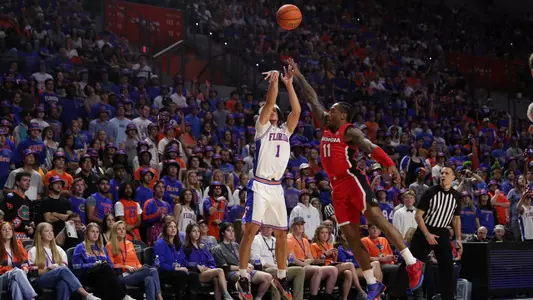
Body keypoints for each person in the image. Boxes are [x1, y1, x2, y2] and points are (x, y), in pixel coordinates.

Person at [289, 58, 423, 299]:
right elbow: (312, 98)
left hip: (352, 180)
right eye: (329, 111)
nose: (328, 112)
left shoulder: (350, 131)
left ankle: (412, 262)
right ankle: (372, 282)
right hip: (336, 187)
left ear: (344, 116)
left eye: (334, 111)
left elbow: (369, 146)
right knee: (350, 236)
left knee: (377, 219)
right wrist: (298, 75)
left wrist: (389, 163)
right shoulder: (325, 124)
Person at [239, 67, 301, 300]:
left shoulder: (286, 131)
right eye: (271, 110)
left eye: (276, 111)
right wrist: (274, 82)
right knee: (252, 229)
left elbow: (297, 110)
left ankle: (282, 275)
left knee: (282, 234)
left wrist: (289, 84)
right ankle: (243, 276)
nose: (273, 111)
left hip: (277, 187)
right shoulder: (262, 128)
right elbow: (270, 101)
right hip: (260, 184)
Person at [409, 166, 462, 300]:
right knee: (411, 265)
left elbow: (456, 219)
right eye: (442, 173)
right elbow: (418, 215)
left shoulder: (456, 196)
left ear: (453, 178)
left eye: (447, 173)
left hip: (443, 232)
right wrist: (427, 234)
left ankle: (448, 297)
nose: (443, 175)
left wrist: (459, 239)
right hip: (424, 231)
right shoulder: (431, 191)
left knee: (447, 269)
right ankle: (397, 295)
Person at [28, 222, 100, 300]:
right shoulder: (33, 250)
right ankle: (85, 294)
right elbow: (33, 273)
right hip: (39, 280)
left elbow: (65, 269)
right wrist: (48, 269)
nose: (50, 233)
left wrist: (57, 269)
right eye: (46, 231)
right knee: (62, 270)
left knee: (63, 283)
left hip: (56, 279)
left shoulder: (59, 250)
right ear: (40, 234)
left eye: (51, 231)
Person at [212, 222, 274, 300]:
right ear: (222, 233)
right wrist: (242, 268)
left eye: (233, 231)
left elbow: (242, 259)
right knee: (245, 276)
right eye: (228, 230)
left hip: (243, 270)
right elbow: (225, 268)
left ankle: (258, 298)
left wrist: (248, 264)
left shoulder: (236, 245)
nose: (231, 233)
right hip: (230, 273)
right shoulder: (218, 248)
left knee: (268, 277)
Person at [72, 222, 133, 300]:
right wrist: (92, 265)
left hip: (103, 274)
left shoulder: (102, 248)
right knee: (106, 271)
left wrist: (103, 265)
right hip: (88, 275)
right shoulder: (80, 247)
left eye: (97, 232)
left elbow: (110, 264)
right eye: (92, 231)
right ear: (87, 233)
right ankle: (123, 296)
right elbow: (76, 266)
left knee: (106, 271)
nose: (95, 234)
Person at [106, 221, 164, 300]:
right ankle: (160, 297)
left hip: (135, 273)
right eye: (119, 229)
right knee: (153, 270)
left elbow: (136, 262)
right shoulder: (110, 245)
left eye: (123, 228)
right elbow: (110, 265)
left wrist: (140, 268)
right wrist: (125, 266)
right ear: (114, 231)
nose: (122, 231)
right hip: (122, 276)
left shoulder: (129, 244)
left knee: (149, 279)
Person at [310, 225, 367, 300]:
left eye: (326, 233)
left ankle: (344, 298)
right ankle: (360, 290)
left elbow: (334, 261)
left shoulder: (330, 245)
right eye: (322, 233)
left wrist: (335, 255)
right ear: (318, 235)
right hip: (322, 268)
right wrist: (325, 254)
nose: (325, 235)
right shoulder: (314, 245)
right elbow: (314, 261)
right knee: (350, 265)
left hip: (332, 267)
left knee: (348, 273)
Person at [287, 217, 337, 300]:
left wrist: (311, 261)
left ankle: (327, 296)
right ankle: (313, 297)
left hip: (307, 265)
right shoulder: (289, 239)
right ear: (293, 226)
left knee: (333, 270)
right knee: (317, 269)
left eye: (302, 224)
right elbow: (292, 259)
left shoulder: (305, 240)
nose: (300, 227)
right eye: (298, 225)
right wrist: (305, 263)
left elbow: (311, 258)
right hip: (297, 266)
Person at [179, 223, 233, 300]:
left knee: (216, 279)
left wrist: (208, 268)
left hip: (207, 272)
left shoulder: (203, 246)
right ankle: (226, 295)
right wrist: (196, 266)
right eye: (194, 231)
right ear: (189, 233)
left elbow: (212, 261)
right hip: (195, 274)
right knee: (220, 270)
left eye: (198, 231)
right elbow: (183, 263)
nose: (197, 233)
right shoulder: (185, 247)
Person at [250, 225, 305, 300]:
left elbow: (283, 256)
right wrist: (273, 267)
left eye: (271, 227)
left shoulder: (275, 240)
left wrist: (284, 264)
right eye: (267, 226)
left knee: (300, 270)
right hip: (265, 269)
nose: (269, 229)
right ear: (261, 227)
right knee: (277, 272)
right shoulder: (256, 240)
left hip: (279, 268)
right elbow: (255, 258)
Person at [153, 220, 201, 300]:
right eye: (170, 227)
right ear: (165, 229)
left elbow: (183, 261)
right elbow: (160, 264)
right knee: (181, 274)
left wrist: (195, 265)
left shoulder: (177, 244)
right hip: (164, 273)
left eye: (175, 227)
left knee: (194, 276)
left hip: (177, 272)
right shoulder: (160, 243)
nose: (173, 229)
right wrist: (176, 268)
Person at [0, 221, 38, 300]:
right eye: (4, 229)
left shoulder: (18, 246)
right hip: (2, 279)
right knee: (17, 272)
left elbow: (25, 263)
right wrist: (13, 270)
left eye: (9, 229)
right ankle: (31, 297)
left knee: (15, 284)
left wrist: (24, 270)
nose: (7, 231)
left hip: (16, 276)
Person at [1, 172, 34, 239]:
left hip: (25, 235)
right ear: (18, 182)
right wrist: (24, 226)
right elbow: (8, 216)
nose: (28, 183)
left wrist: (31, 226)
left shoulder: (27, 199)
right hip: (12, 234)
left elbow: (29, 217)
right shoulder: (11, 197)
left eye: (29, 181)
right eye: (25, 180)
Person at [143, 180, 172, 245]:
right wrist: (158, 216)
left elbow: (171, 220)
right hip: (153, 236)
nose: (161, 189)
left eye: (163, 187)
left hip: (166, 235)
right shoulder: (149, 202)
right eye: (158, 187)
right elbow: (145, 219)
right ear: (154, 190)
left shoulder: (167, 205)